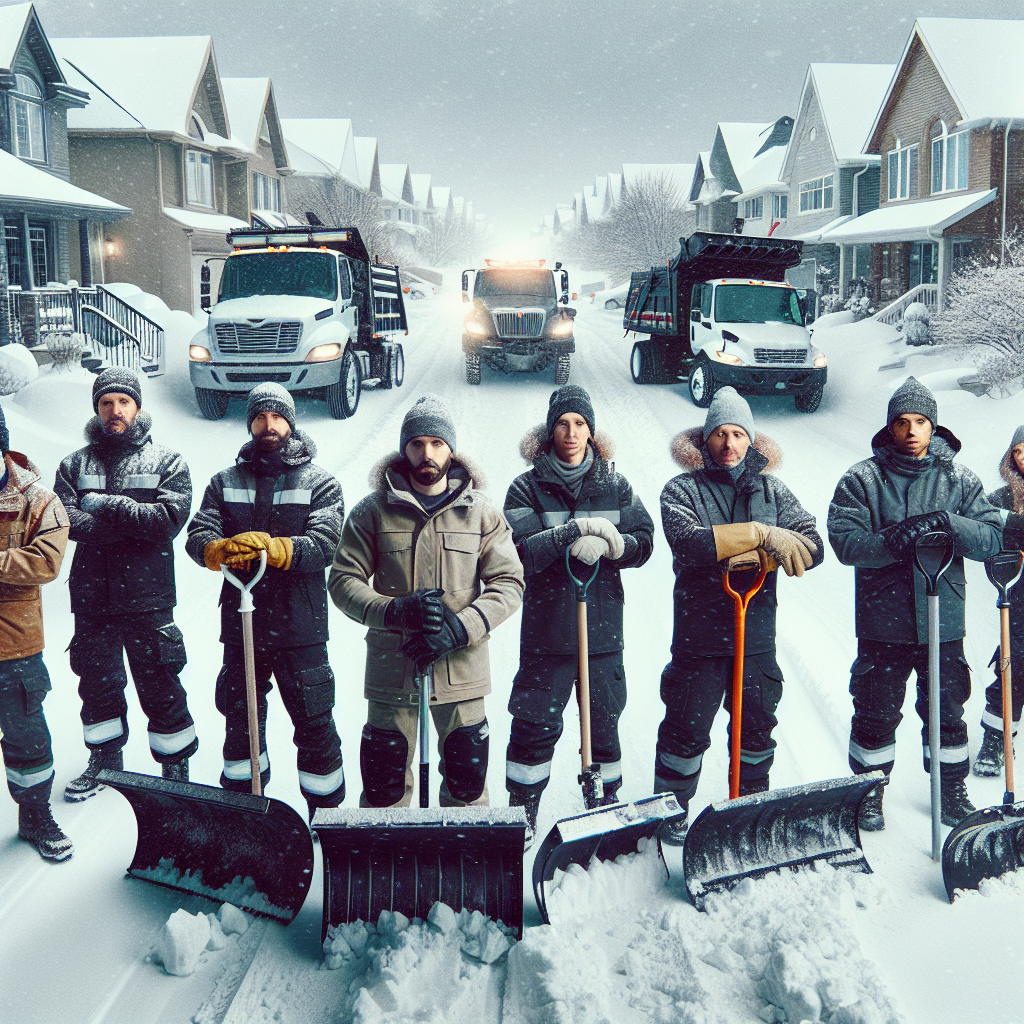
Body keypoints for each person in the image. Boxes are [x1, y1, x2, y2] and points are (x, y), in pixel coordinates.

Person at [328, 393, 524, 808]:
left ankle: (465, 866)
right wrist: (392, 609)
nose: (427, 453)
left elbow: (509, 583)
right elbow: (343, 580)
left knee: (467, 784)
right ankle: (387, 867)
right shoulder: (373, 511)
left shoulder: (481, 513)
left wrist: (459, 628)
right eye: (416, 444)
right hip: (391, 670)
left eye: (437, 443)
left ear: (452, 449)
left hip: (462, 670)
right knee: (384, 786)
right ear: (404, 449)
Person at [828, 377, 1002, 830]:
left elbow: (990, 538)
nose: (910, 430)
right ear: (890, 427)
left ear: (934, 427)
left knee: (947, 709)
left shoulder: (960, 479)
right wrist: (892, 541)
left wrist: (951, 524)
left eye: (920, 422)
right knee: (875, 708)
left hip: (942, 620)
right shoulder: (862, 478)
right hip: (883, 621)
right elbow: (845, 542)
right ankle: (868, 790)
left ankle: (950, 788)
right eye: (902, 422)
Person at [656, 387, 822, 841]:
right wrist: (762, 535)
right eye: (720, 434)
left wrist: (762, 553)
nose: (729, 444)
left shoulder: (774, 488)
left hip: (756, 639)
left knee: (756, 730)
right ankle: (670, 809)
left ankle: (749, 808)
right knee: (686, 728)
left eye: (738, 434)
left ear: (751, 440)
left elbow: (812, 546)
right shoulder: (682, 488)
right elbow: (691, 544)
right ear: (705, 440)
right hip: (699, 638)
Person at [186, 383, 346, 818]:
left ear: (291, 424)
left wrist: (277, 550)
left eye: (277, 417)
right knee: (241, 724)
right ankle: (245, 813)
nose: (268, 425)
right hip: (242, 624)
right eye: (260, 417)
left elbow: (325, 544)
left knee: (314, 723)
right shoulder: (225, 482)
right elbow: (198, 533)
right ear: (250, 423)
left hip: (300, 626)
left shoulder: (321, 483)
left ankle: (325, 815)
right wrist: (215, 549)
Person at [502, 386, 653, 840]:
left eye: (581, 424)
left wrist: (618, 544)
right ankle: (523, 814)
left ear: (592, 431)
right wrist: (572, 534)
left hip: (602, 631)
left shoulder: (615, 484)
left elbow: (644, 541)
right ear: (550, 431)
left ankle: (603, 808)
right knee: (533, 726)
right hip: (546, 633)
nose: (572, 433)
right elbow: (518, 553)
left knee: (604, 727)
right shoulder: (525, 487)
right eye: (563, 424)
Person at [54, 368, 196, 800]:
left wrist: (102, 506)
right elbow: (63, 522)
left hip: (147, 597)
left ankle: (175, 769)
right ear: (96, 410)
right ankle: (104, 760)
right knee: (96, 683)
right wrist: (128, 522)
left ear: (137, 406)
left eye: (123, 402)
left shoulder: (167, 462)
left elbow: (166, 522)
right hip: (92, 598)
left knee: (160, 682)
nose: (115, 411)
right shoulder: (74, 464)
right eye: (105, 404)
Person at [0, 405, 73, 860]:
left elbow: (46, 562)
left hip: (14, 645)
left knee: (26, 735)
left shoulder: (39, 500)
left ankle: (35, 815)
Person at [973, 425, 1024, 776]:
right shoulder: (1003, 498)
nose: (1023, 458)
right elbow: (983, 529)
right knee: (1013, 664)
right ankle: (996, 740)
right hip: (1019, 594)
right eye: (1018, 451)